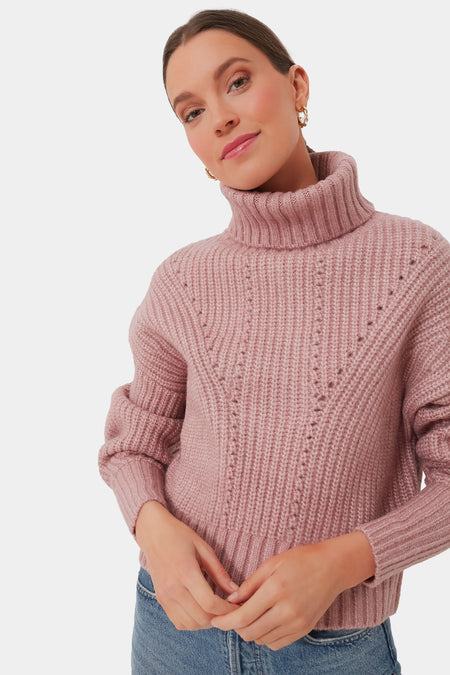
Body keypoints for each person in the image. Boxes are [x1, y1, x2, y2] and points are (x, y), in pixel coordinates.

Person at [98, 9, 450, 674]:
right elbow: (132, 444)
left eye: (236, 82)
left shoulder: (415, 264)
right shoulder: (183, 279)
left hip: (331, 646)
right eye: (192, 112)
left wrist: (341, 562)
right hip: (174, 623)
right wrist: (153, 528)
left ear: (297, 87)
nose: (219, 119)